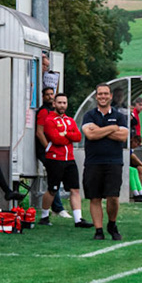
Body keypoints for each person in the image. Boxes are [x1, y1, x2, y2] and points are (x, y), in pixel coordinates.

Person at [79, 83, 131, 241]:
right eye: (100, 94)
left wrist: (101, 129)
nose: (102, 96)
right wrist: (112, 128)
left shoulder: (120, 116)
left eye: (105, 94)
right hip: (93, 162)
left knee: (113, 197)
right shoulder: (89, 115)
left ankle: (112, 224)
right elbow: (90, 135)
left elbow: (123, 137)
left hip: (114, 161)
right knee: (95, 198)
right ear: (96, 96)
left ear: (110, 96)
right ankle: (99, 230)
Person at [37, 92, 83, 226]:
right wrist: (69, 136)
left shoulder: (69, 120)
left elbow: (78, 137)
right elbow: (56, 139)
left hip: (70, 159)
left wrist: (66, 133)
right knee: (53, 189)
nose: (62, 105)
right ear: (54, 104)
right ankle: (44, 216)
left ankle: (78, 219)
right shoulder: (49, 120)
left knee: (75, 189)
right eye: (60, 102)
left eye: (64, 103)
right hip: (55, 159)